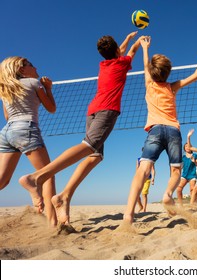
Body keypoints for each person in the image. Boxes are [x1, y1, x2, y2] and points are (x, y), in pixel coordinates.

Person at [19, 32, 144, 227]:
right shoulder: (121, 63)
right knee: (88, 146)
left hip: (92, 110)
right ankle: (36, 177)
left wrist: (127, 39)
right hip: (107, 110)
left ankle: (64, 196)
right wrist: (141, 42)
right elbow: (132, 50)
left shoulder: (104, 65)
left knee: (96, 155)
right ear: (117, 52)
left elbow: (121, 50)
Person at [123, 36, 197, 225]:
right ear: (168, 72)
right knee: (176, 171)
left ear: (152, 73)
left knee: (143, 170)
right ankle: (168, 194)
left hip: (154, 130)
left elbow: (145, 65)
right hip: (173, 130)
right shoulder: (172, 87)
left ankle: (128, 214)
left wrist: (145, 47)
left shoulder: (149, 84)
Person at [0, 56, 57, 226]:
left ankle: (36, 194)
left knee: (2, 180)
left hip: (7, 132)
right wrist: (48, 89)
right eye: (31, 64)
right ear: (21, 69)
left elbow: (7, 116)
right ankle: (52, 223)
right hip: (26, 128)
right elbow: (51, 108)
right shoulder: (35, 83)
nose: (36, 66)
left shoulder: (6, 90)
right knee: (48, 174)